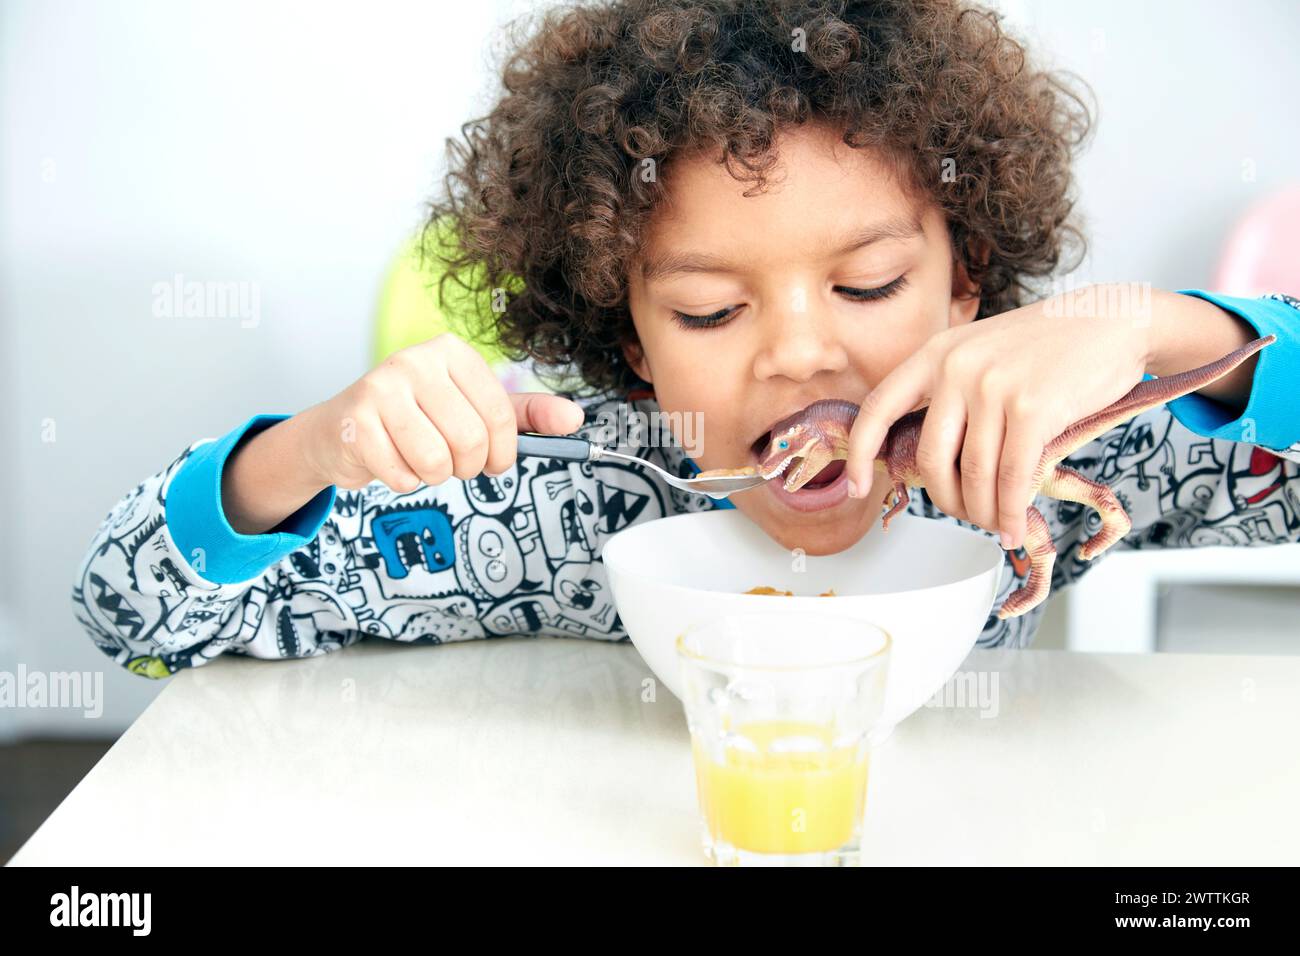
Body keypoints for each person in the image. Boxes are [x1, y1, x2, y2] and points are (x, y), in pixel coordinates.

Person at [73, 0, 1300, 678]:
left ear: (967, 283)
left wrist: (1170, 327)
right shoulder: (548, 505)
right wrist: (302, 452)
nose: (798, 353)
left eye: (870, 282)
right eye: (711, 310)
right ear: (628, 340)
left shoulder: (1026, 465)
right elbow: (127, 613)